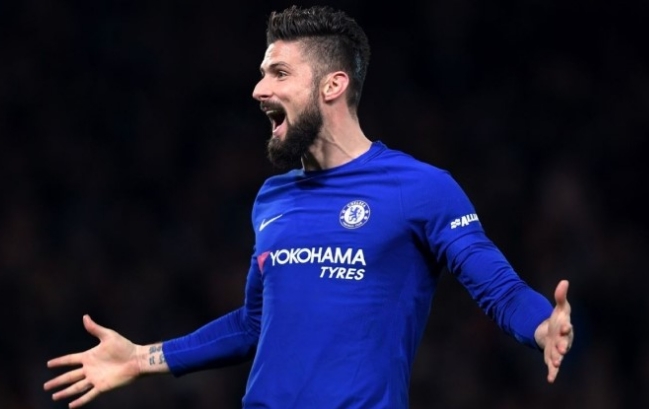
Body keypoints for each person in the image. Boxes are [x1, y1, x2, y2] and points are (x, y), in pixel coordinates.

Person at [44, 5, 574, 409]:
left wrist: (540, 327)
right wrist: (141, 358)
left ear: (333, 85)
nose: (258, 89)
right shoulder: (272, 198)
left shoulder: (420, 187)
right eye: (262, 72)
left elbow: (498, 287)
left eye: (278, 73)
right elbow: (255, 323)